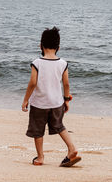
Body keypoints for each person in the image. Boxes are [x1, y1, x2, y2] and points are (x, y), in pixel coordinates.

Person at [22, 27, 81, 167]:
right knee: (59, 126)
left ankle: (40, 157)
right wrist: (66, 100)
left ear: (40, 45)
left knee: (38, 130)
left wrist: (25, 100)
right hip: (56, 103)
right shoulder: (63, 63)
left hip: (39, 104)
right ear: (58, 47)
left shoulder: (37, 63)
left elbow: (32, 83)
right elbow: (66, 84)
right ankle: (72, 148)